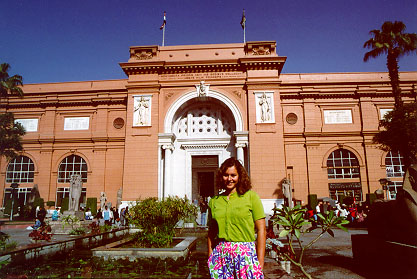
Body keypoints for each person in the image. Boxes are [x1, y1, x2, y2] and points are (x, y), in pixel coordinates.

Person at [207, 157, 266, 278]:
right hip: (220, 256)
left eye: (233, 175)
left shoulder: (251, 197)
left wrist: (260, 263)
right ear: (221, 177)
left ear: (240, 176)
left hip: (245, 255)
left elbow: (261, 230)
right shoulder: (214, 201)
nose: (229, 179)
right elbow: (211, 232)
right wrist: (210, 256)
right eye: (225, 175)